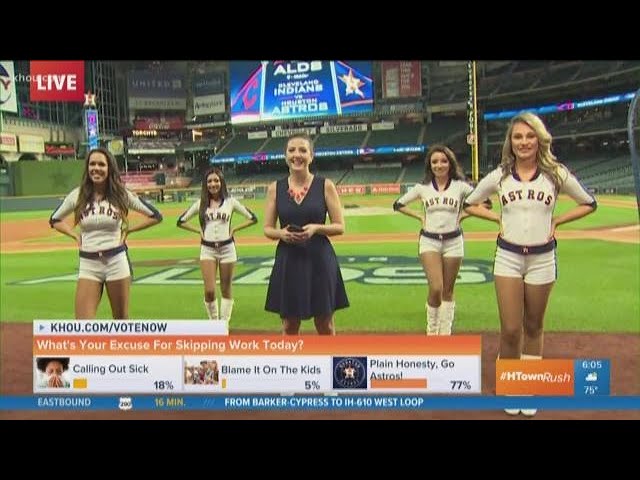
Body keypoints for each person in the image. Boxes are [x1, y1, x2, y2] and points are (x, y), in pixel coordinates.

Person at [464, 112, 597, 416]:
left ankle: (528, 386)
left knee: (534, 326)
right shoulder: (499, 175)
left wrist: (558, 221)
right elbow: (470, 202)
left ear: (540, 139)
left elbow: (589, 202)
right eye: (517, 137)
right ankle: (512, 385)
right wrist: (496, 217)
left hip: (542, 258)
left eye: (529, 136)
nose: (524, 142)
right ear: (510, 142)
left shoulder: (555, 173)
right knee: (511, 329)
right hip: (508, 257)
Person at [49, 148, 163, 319]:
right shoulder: (77, 195)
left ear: (109, 168)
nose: (96, 168)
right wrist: (74, 235)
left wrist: (129, 230)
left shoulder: (121, 194)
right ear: (87, 168)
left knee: (121, 322)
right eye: (92, 164)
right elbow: (54, 219)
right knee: (82, 325)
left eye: (101, 164)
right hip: (88, 264)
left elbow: (155, 216)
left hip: (116, 262)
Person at [264, 133, 349, 335]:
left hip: (319, 258)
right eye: (291, 150)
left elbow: (339, 226)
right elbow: (267, 229)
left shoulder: (325, 185)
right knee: (289, 325)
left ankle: (329, 365)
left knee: (325, 324)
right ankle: (293, 367)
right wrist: (281, 234)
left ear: (311, 156)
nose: (297, 155)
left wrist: (316, 228)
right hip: (288, 259)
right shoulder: (275, 189)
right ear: (285, 156)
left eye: (303, 150)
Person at [393, 145, 474, 335]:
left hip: (454, 241)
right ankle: (432, 329)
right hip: (429, 240)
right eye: (435, 161)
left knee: (448, 289)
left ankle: (445, 332)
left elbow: (484, 202)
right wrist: (420, 217)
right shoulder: (422, 188)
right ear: (430, 165)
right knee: (436, 287)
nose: (439, 165)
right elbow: (398, 204)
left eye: (444, 161)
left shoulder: (460, 186)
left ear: (450, 163)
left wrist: (463, 215)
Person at [177, 167, 257, 322]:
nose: (213, 184)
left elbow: (252, 218)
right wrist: (198, 231)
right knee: (209, 291)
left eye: (216, 180)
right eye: (209, 181)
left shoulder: (230, 202)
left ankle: (224, 323)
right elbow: (181, 221)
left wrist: (234, 228)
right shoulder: (200, 204)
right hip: (207, 249)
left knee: (226, 288)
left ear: (222, 182)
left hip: (227, 248)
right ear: (205, 184)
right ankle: (214, 322)